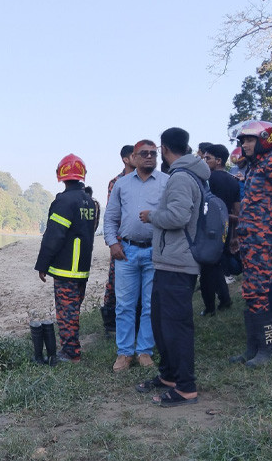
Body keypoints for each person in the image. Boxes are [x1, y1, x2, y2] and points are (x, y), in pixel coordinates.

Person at [136, 127, 207, 407]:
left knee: (176, 326)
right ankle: (169, 375)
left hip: (179, 262)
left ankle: (186, 388)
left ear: (164, 149)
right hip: (169, 261)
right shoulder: (190, 173)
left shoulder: (180, 176)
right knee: (161, 322)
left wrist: (151, 215)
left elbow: (178, 216)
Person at [229, 120, 272, 367]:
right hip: (250, 239)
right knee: (250, 292)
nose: (244, 144)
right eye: (243, 140)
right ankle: (253, 348)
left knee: (258, 292)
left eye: (249, 139)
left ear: (264, 140)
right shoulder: (254, 167)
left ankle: (268, 347)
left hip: (265, 239)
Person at [104, 140, 166, 372]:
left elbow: (171, 215)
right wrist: (112, 243)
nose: (149, 157)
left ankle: (144, 351)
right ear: (134, 157)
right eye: (144, 154)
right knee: (124, 305)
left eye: (153, 153)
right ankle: (124, 353)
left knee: (151, 304)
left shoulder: (166, 182)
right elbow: (110, 218)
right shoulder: (121, 184)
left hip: (155, 251)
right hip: (126, 252)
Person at [35, 154, 97, 362]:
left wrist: (42, 264)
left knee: (66, 312)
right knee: (74, 309)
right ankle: (71, 349)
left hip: (65, 268)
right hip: (82, 267)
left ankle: (71, 352)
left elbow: (54, 235)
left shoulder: (63, 201)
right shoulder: (89, 201)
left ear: (59, 174)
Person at [198, 144, 239, 316]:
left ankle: (209, 307)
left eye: (207, 158)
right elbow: (237, 211)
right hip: (227, 230)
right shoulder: (233, 180)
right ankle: (225, 299)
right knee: (216, 266)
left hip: (211, 231)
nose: (204, 161)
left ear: (219, 160)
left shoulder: (209, 181)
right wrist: (233, 235)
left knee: (207, 270)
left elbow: (210, 208)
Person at [101, 145, 135, 337]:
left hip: (140, 240)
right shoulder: (116, 182)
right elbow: (112, 214)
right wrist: (113, 241)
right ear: (125, 159)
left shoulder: (146, 179)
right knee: (114, 282)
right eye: (134, 155)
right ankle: (110, 325)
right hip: (121, 241)